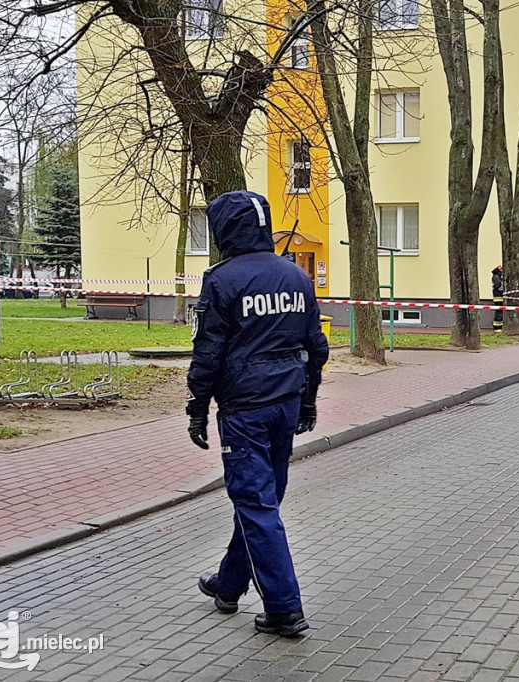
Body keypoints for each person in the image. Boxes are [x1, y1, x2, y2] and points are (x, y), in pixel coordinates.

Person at [186, 190, 329, 637]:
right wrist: (308, 402)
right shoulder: (296, 276)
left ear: (225, 229)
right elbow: (316, 347)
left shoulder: (222, 280)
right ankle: (228, 585)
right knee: (261, 500)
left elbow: (208, 352)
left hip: (245, 408)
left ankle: (285, 607)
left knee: (255, 502)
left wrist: (197, 407)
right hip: (286, 401)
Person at [491, 265, 504, 333]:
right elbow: (498, 286)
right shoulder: (496, 277)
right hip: (498, 297)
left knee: (500, 312)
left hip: (499, 296)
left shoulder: (497, 277)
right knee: (499, 312)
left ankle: (499, 326)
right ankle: (497, 327)